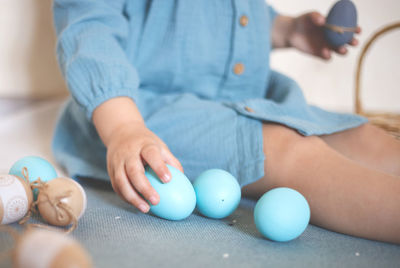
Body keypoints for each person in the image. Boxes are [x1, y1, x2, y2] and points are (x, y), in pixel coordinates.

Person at [52, 0, 400, 244]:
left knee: (357, 135)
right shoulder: (130, 119)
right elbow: (89, 27)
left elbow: (228, 16)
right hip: (142, 112)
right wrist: (123, 127)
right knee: (284, 150)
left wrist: (287, 30)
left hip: (247, 97)